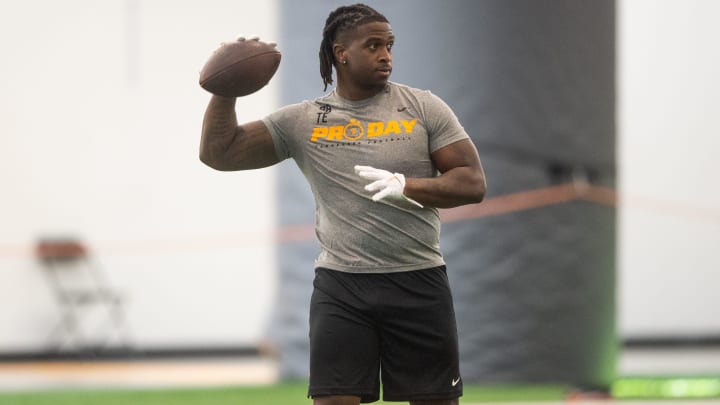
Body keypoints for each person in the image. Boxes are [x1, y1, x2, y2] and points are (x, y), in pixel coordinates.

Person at [199, 4, 486, 404]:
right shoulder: (304, 120)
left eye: (389, 45)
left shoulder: (423, 107)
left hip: (418, 280)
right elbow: (220, 154)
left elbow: (472, 182)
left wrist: (408, 186)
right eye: (373, 46)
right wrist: (224, 91)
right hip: (343, 287)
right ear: (341, 53)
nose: (386, 55)